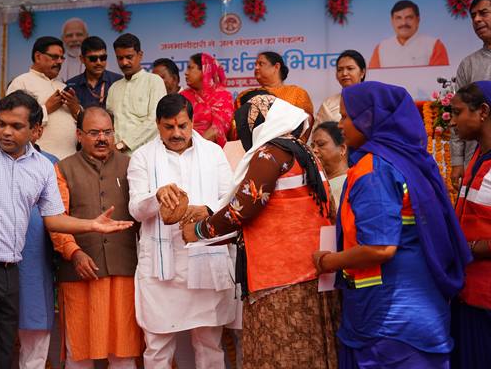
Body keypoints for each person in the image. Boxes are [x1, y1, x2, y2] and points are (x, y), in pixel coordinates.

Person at [0, 90, 133, 369]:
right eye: (1, 123)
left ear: (36, 130)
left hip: (11, 270)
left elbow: (53, 218)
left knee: (3, 352)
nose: (6, 132)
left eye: (16, 126)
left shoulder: (43, 167)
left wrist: (92, 224)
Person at [313, 81, 471, 369]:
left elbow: (379, 248)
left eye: (347, 116)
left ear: (369, 119)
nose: (341, 124)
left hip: (389, 321)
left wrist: (327, 261)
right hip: (419, 309)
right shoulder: (410, 160)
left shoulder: (374, 169)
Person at [183, 94, 339, 368]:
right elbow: (277, 208)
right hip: (311, 271)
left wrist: (199, 230)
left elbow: (242, 209)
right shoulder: (303, 151)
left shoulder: (270, 153)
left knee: (280, 355)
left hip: (281, 280)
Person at [128, 94, 236, 368]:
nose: (176, 133)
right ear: (157, 124)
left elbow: (228, 199)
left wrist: (205, 210)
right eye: (169, 127)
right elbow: (136, 209)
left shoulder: (213, 152)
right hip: (162, 270)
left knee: (209, 343)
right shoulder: (142, 157)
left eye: (182, 125)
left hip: (204, 262)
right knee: (157, 346)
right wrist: (156, 196)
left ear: (192, 122)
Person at [51, 107, 142, 368]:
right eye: (94, 133)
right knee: (79, 353)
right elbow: (56, 219)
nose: (102, 138)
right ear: (79, 135)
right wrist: (74, 253)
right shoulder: (63, 169)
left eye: (107, 132)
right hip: (80, 273)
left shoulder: (131, 166)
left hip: (124, 272)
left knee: (123, 353)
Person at [449, 81, 491, 369]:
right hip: (467, 295)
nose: (452, 121)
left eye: (458, 112)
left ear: (483, 111)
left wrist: (469, 248)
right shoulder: (477, 154)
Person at [17, 124, 59, 369]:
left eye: (22, 126)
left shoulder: (51, 164)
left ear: (38, 131)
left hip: (36, 256)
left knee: (35, 326)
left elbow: (60, 212)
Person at [7, 36, 82, 159]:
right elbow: (13, 121)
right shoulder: (21, 82)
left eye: (62, 58)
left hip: (70, 160)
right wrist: (46, 109)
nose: (59, 62)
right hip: (38, 160)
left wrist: (76, 109)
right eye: (55, 57)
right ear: (38, 56)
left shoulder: (63, 86)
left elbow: (84, 125)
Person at [450, 0, 491, 191]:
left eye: (483, 13)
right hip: (476, 156)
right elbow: (458, 113)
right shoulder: (468, 64)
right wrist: (457, 160)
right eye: (473, 16)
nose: (476, 20)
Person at [106, 33, 167, 154]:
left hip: (146, 155)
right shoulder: (114, 88)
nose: (124, 62)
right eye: (120, 58)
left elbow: (156, 120)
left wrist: (124, 144)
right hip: (116, 156)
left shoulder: (154, 82)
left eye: (129, 57)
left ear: (140, 55)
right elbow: (109, 123)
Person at [234, 52, 314, 140]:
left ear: (276, 66)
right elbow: (236, 128)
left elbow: (305, 125)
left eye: (261, 64)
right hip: (254, 145)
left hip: (288, 145)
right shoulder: (246, 95)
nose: (256, 67)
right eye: (255, 65)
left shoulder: (297, 93)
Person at [369, 0, 449, 68]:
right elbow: (374, 78)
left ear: (418, 20)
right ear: (392, 21)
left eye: (409, 18)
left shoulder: (434, 45)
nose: (403, 23)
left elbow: (440, 77)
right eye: (398, 18)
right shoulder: (381, 48)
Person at [180, 53, 234, 147]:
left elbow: (217, 129)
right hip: (183, 146)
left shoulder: (223, 96)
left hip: (212, 149)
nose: (186, 73)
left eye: (190, 68)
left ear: (205, 70)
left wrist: (195, 147)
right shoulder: (183, 96)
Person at [66, 36, 122, 109]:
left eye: (103, 58)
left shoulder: (118, 81)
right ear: (82, 59)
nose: (99, 62)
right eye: (93, 58)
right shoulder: (71, 85)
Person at [314, 50, 366, 128]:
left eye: (350, 68)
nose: (344, 73)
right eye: (340, 70)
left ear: (362, 72)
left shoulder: (373, 99)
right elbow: (318, 133)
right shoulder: (328, 104)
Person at [311, 121, 348, 207]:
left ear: (342, 149)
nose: (314, 150)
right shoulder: (314, 183)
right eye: (312, 146)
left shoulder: (352, 183)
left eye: (321, 144)